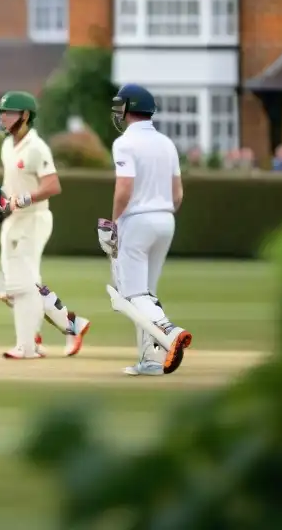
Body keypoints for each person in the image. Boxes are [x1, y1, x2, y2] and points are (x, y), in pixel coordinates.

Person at [0, 91, 90, 360]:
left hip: (34, 220)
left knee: (23, 286)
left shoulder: (36, 147)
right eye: (1, 112)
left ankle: (28, 346)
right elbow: (8, 184)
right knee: (11, 288)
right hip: (13, 221)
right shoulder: (7, 146)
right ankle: (69, 326)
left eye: (7, 112)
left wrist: (20, 201)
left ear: (24, 115)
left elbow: (52, 185)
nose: (2, 117)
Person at [100, 83, 192, 376]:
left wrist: (113, 223)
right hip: (166, 219)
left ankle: (169, 330)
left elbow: (124, 189)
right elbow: (178, 194)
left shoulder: (125, 143)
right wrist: (161, 210)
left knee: (132, 294)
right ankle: (151, 360)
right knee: (146, 293)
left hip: (137, 220)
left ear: (127, 109)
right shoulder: (166, 143)